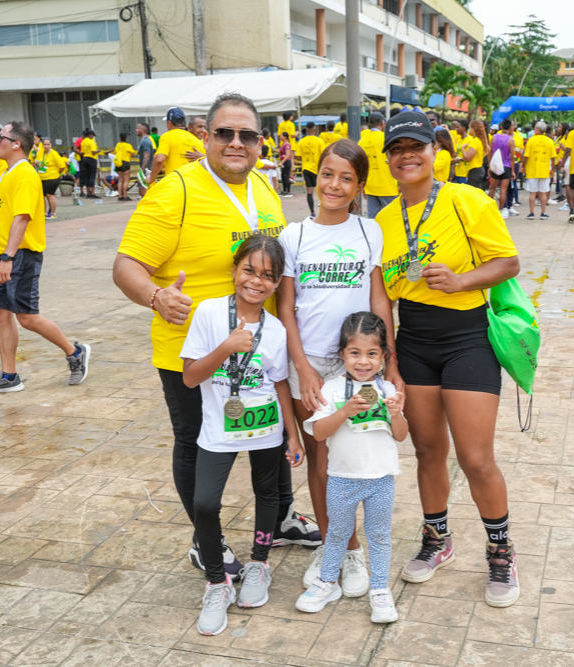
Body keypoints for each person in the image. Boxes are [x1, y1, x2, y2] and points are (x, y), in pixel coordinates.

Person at [113, 92, 321, 587]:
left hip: (261, 351)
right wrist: (156, 296)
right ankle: (206, 539)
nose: (236, 143)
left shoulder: (264, 189)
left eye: (247, 135)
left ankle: (282, 517)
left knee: (270, 435)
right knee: (194, 442)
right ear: (205, 136)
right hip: (195, 351)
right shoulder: (175, 190)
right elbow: (125, 265)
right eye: (224, 133)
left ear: (259, 142)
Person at [375, 110, 522, 607]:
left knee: (476, 458)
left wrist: (461, 281)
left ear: (436, 151)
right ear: (389, 161)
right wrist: (389, 358)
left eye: (416, 146)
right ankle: (437, 539)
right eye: (397, 149)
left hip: (467, 339)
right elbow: (382, 300)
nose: (408, 155)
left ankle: (500, 551)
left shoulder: (467, 199)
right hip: (413, 343)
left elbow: (508, 261)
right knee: (428, 452)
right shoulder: (381, 222)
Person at [277, 140, 390, 598]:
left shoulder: (369, 232)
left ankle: (353, 550)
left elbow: (378, 299)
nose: (335, 185)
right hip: (307, 363)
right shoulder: (294, 235)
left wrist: (390, 363)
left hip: (357, 366)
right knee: (320, 461)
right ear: (315, 176)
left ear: (360, 186)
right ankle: (339, 549)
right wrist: (302, 368)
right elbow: (286, 308)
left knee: (357, 460)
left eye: (346, 178)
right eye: (328, 174)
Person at [181, 234, 305, 636]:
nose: (256, 281)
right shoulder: (209, 312)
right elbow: (190, 376)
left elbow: (281, 383)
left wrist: (293, 434)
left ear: (277, 282)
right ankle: (217, 582)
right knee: (204, 503)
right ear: (235, 270)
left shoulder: (277, 329)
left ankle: (259, 564)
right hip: (218, 431)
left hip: (265, 429)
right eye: (249, 270)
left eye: (267, 276)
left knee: (268, 495)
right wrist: (227, 346)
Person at [0, 121, 91, 394]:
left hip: (18, 255)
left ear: (16, 144)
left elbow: (22, 218)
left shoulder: (25, 175)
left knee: (27, 317)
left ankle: (75, 351)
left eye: (0, 138)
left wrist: (8, 258)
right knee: (0, 313)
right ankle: (9, 376)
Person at [295, 312, 407, 623]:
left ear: (383, 356)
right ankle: (327, 583)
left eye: (372, 354)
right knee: (338, 534)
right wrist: (345, 410)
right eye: (354, 353)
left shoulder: (387, 392)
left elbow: (400, 435)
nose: (363, 362)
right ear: (342, 354)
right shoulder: (331, 389)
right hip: (342, 479)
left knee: (380, 535)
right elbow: (318, 433)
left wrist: (397, 413)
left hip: (382, 479)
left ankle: (380, 590)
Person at [358, 112, 397, 217]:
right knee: (393, 216)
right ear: (383, 123)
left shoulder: (362, 141)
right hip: (388, 186)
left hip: (370, 186)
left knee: (373, 218)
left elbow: (361, 167)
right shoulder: (386, 139)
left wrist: (363, 187)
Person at [522, 121, 555, 220]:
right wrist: (552, 170)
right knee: (543, 193)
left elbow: (526, 156)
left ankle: (531, 213)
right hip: (544, 170)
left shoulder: (531, 141)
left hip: (532, 170)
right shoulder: (549, 141)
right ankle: (543, 213)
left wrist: (522, 166)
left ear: (537, 130)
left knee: (533, 193)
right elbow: (553, 158)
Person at [487, 119, 517, 218]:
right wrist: (513, 171)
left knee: (492, 189)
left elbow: (490, 152)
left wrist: (489, 166)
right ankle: (500, 211)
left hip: (495, 166)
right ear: (510, 128)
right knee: (503, 190)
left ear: (501, 127)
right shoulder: (511, 140)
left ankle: (490, 210)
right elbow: (512, 157)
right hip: (506, 167)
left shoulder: (493, 137)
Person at [34, 138, 67, 219]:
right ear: (42, 145)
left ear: (51, 145)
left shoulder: (54, 153)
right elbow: (37, 162)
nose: (46, 146)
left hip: (52, 177)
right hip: (41, 177)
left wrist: (58, 173)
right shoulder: (40, 152)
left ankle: (53, 213)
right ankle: (44, 213)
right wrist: (37, 164)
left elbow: (62, 166)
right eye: (45, 144)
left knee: (50, 195)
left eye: (48, 144)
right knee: (42, 196)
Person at [298, 122, 326, 216]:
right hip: (317, 169)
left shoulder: (301, 141)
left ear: (306, 130)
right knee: (322, 191)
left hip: (306, 168)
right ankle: (323, 211)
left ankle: (312, 213)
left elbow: (298, 157)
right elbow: (323, 155)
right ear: (315, 130)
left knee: (309, 191)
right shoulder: (319, 141)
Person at [452, 121, 477, 185]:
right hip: (457, 172)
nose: (456, 129)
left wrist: (459, 160)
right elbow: (457, 154)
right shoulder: (459, 140)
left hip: (465, 173)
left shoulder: (470, 140)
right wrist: (453, 169)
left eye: (458, 127)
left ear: (464, 128)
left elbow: (470, 157)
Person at [112, 133, 136, 201]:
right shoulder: (128, 145)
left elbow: (116, 152)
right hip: (125, 163)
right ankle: (125, 196)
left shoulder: (118, 145)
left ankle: (120, 196)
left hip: (118, 163)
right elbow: (133, 154)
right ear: (126, 138)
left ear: (120, 138)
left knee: (120, 180)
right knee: (126, 180)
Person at [78, 128, 100, 199]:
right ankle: (92, 193)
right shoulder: (91, 142)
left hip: (84, 159)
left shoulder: (83, 141)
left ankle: (88, 193)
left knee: (87, 176)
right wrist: (99, 150)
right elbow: (93, 152)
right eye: (92, 135)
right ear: (90, 135)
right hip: (91, 159)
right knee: (92, 176)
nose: (93, 136)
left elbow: (82, 151)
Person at [467, 120, 489, 190]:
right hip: (479, 169)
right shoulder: (479, 140)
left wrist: (463, 149)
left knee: (473, 194)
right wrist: (481, 156)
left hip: (474, 170)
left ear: (474, 129)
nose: (469, 130)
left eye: (470, 128)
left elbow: (468, 158)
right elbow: (488, 149)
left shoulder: (474, 141)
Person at [136, 123, 154, 197]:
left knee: (143, 192)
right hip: (147, 171)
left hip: (146, 171)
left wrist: (141, 172)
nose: (136, 130)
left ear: (143, 130)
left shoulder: (145, 141)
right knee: (144, 192)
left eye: (137, 128)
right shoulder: (145, 140)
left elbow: (146, 157)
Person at [278, 131, 293, 197]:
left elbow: (287, 155)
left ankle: (288, 191)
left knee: (286, 176)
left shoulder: (287, 145)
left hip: (286, 162)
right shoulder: (283, 144)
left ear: (285, 137)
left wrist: (282, 162)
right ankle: (284, 190)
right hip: (283, 162)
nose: (280, 137)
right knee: (283, 176)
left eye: (281, 136)